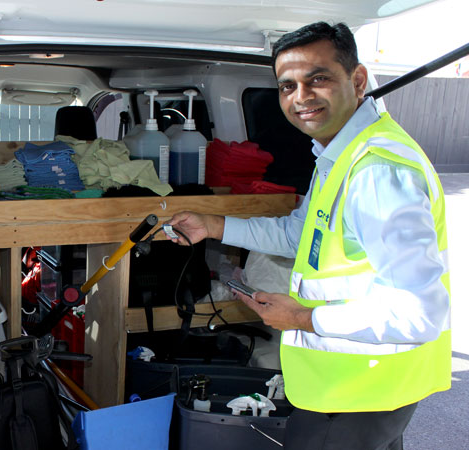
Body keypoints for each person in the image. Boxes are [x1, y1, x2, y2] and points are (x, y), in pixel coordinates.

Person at [168, 22, 450, 450]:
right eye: (287, 86)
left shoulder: (376, 171)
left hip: (358, 394)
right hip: (353, 388)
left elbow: (419, 314)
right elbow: (302, 236)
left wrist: (301, 318)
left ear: (356, 81)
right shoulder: (338, 154)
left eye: (317, 79)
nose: (301, 97)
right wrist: (215, 226)